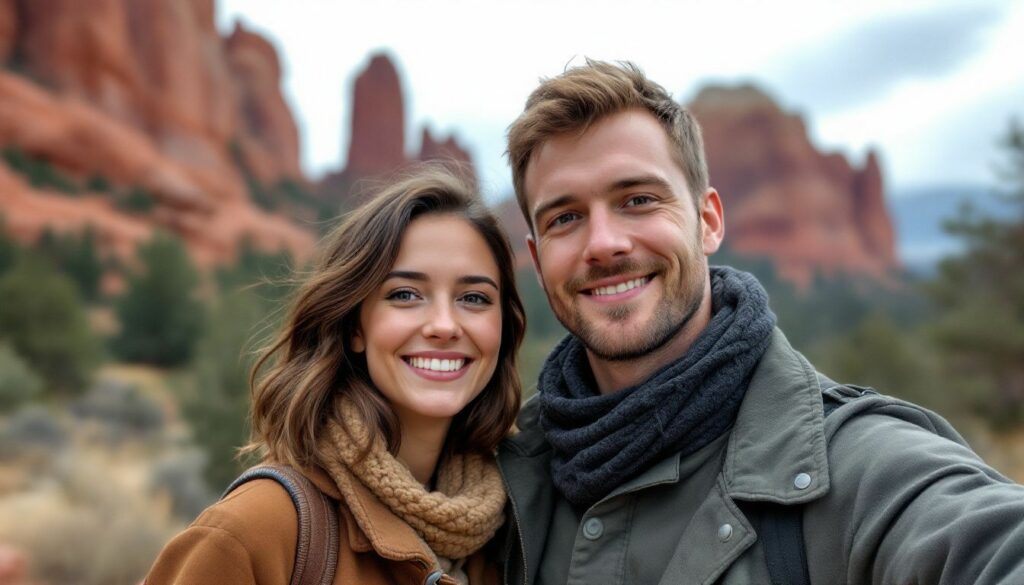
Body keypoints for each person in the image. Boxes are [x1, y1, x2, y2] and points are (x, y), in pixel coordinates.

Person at [497, 59, 1024, 585]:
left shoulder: (856, 468)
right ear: (538, 261)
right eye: (565, 218)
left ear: (708, 221)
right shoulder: (502, 476)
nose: (604, 243)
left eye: (638, 199)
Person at [146, 168, 526, 585]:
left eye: (474, 298)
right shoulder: (254, 531)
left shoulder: (513, 531)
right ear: (355, 327)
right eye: (405, 295)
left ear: (502, 328)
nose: (443, 325)